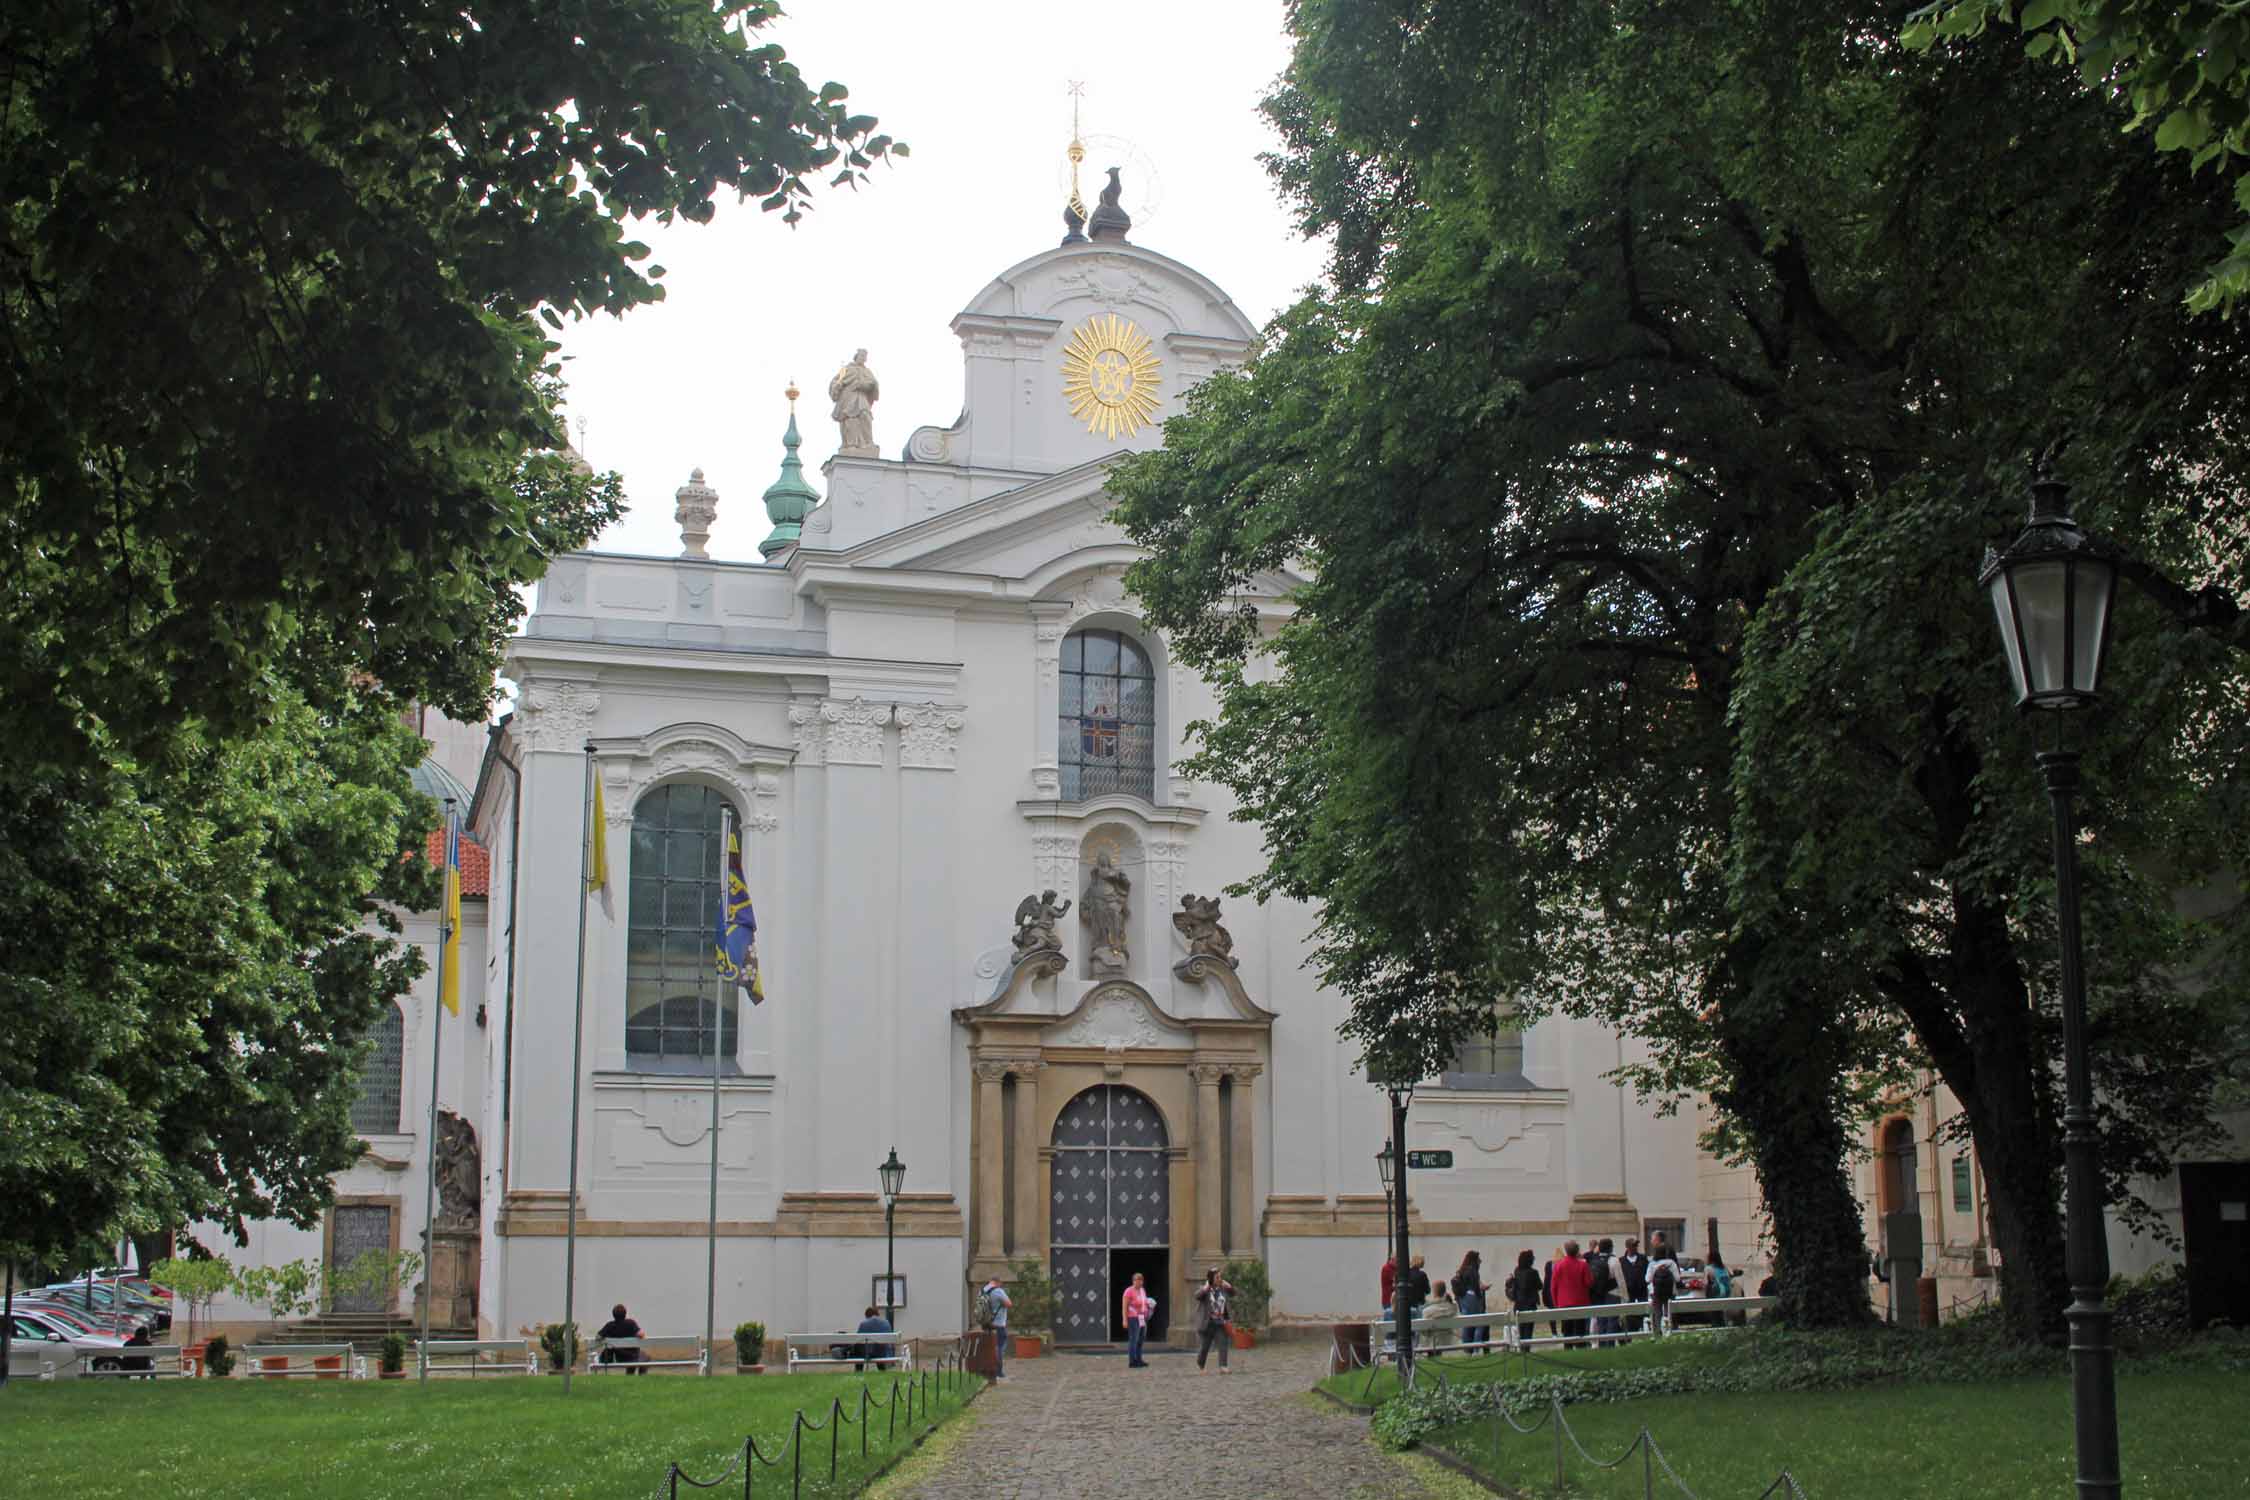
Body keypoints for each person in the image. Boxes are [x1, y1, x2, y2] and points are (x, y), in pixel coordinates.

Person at [1547, 1239, 1593, 1347]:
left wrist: (1556, 1303)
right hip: (1581, 1302)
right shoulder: (1583, 1265)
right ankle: (1581, 1349)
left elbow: (1553, 1286)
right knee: (1580, 1331)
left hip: (1564, 1303)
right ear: (1577, 1251)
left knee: (1567, 1331)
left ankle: (1568, 1348)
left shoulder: (1558, 1265)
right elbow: (1589, 1282)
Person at [1194, 1266, 1235, 1373]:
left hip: (1220, 1321)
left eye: (1220, 1277)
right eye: (1217, 1277)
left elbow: (1233, 1294)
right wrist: (1205, 1288)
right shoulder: (1206, 1289)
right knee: (1205, 1347)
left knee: (1223, 1343)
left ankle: (1223, 1366)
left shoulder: (1223, 1288)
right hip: (1208, 1323)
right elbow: (1197, 1296)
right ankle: (1201, 1365)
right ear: (1211, 1278)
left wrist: (1229, 1286)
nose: (1219, 1279)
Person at [1452, 1252, 1490, 1349]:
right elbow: (1475, 1287)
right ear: (1474, 1260)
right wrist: (1481, 1293)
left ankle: (1467, 1347)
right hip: (1472, 1299)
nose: (1480, 1261)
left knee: (1466, 1323)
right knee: (1479, 1323)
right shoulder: (1473, 1270)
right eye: (1478, 1259)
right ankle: (1476, 1347)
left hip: (1463, 1300)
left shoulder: (1462, 1270)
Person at [1506, 1250, 1542, 1347]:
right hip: (1530, 1304)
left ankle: (1522, 1347)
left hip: (1519, 1304)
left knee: (1521, 1329)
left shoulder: (1517, 1271)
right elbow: (1540, 1286)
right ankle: (1527, 1348)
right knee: (1528, 1329)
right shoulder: (1533, 1272)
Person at [597, 1303, 645, 1374]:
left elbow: (598, 1337)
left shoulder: (609, 1325)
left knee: (638, 1357)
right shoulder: (631, 1323)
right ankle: (640, 1376)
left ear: (613, 1315)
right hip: (633, 1356)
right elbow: (641, 1335)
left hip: (619, 1357)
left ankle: (630, 1376)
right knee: (645, 1357)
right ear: (625, 1313)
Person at [1587, 1237, 1620, 1340]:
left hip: (1598, 1293)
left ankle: (1602, 1344)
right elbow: (1620, 1280)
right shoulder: (1614, 1260)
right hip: (1612, 1293)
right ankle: (1610, 1344)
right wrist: (1624, 1297)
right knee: (1612, 1319)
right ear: (1610, 1248)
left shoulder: (1593, 1260)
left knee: (1601, 1320)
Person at [1646, 1244, 1682, 1336]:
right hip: (1670, 1292)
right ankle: (1670, 1331)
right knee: (1669, 1312)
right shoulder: (1671, 1263)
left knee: (1657, 1313)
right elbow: (1677, 1279)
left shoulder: (1652, 1264)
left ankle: (1658, 1332)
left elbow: (1647, 1279)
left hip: (1655, 1292)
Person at [1122, 1272, 1156, 1368]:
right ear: (1133, 1281)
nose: (1139, 1282)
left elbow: (1144, 1303)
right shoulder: (1128, 1291)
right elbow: (1124, 1306)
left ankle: (1139, 1359)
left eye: (1141, 1280)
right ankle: (1132, 1361)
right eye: (1137, 1280)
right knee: (1134, 1339)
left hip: (1142, 1318)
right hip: (1133, 1318)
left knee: (1141, 1339)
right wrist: (1124, 1320)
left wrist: (1149, 1306)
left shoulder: (1142, 1290)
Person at [981, 1276, 1012, 1380]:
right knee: (999, 1347)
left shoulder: (983, 1290)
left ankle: (987, 1368)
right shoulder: (998, 1291)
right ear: (998, 1282)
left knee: (989, 1347)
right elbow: (1009, 1304)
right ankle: (998, 1370)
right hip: (998, 1324)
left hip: (987, 1324)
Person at [1618, 1236, 1650, 1335]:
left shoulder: (1643, 1258)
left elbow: (1647, 1272)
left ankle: (1643, 1330)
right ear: (1628, 1247)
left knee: (1643, 1312)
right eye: (1633, 1246)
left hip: (1641, 1291)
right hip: (1628, 1292)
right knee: (1629, 1314)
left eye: (1636, 1245)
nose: (1635, 1247)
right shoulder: (1622, 1261)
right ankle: (1630, 1332)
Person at [1423, 1274, 1456, 1357]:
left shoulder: (1427, 1311)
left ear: (1434, 1292)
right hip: (1448, 1339)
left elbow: (1424, 1332)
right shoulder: (1453, 1307)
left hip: (1434, 1342)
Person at [854, 1305, 893, 1372]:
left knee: (857, 1348)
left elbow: (858, 1339)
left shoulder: (864, 1324)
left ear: (867, 1315)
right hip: (883, 1353)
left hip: (869, 1353)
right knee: (879, 1347)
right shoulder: (886, 1323)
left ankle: (858, 1371)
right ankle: (882, 1370)